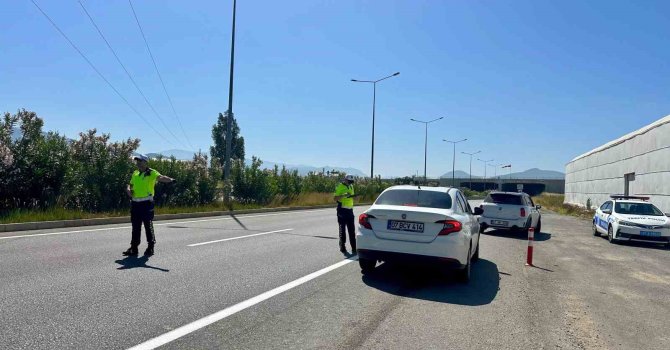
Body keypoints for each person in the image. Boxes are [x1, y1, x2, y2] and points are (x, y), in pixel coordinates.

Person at [122, 154, 175, 256]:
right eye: (137, 161)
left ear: (146, 162)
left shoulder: (151, 173)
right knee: (135, 226)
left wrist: (170, 180)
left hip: (147, 204)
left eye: (140, 161)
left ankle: (150, 246)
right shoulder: (135, 173)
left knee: (148, 225)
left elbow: (161, 177)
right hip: (135, 204)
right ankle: (134, 248)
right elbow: (130, 184)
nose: (138, 163)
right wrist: (128, 189)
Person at [333, 174, 357, 255]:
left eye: (351, 182)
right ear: (345, 180)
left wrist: (354, 197)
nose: (350, 183)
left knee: (352, 230)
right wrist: (343, 195)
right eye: (349, 182)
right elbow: (335, 198)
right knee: (342, 230)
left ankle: (354, 248)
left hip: (350, 210)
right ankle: (342, 246)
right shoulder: (340, 186)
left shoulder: (351, 186)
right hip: (342, 210)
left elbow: (350, 197)